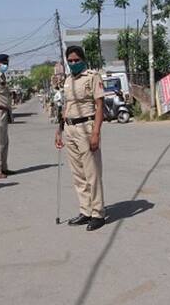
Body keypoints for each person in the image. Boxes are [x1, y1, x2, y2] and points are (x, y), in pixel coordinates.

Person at [54, 46, 106, 231]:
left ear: (83, 60)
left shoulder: (92, 77)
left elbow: (100, 106)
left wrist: (96, 133)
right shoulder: (67, 80)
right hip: (70, 128)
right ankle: (85, 211)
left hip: (87, 127)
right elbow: (65, 106)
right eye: (71, 60)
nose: (73, 63)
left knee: (92, 173)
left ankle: (98, 213)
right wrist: (59, 130)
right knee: (78, 175)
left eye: (77, 60)